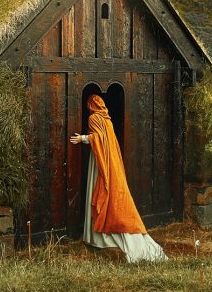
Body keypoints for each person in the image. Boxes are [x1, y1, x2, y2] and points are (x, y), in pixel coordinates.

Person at [70, 94, 168, 264]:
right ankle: (95, 238)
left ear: (90, 105)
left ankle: (96, 238)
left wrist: (82, 138)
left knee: (99, 189)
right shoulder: (107, 119)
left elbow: (99, 139)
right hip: (108, 160)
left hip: (100, 161)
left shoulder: (94, 118)